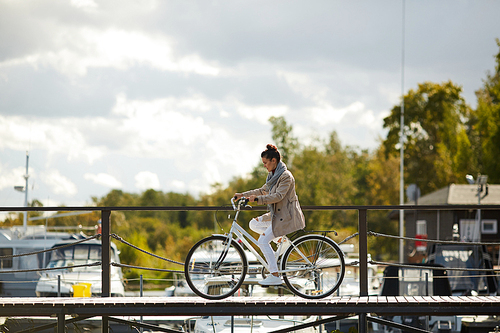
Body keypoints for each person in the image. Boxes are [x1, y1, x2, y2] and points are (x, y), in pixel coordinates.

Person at [234, 144, 305, 286]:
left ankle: (274, 274)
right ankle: (280, 241)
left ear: (274, 160)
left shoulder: (286, 176)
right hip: (277, 214)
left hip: (287, 216)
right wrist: (243, 194)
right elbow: (262, 190)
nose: (265, 166)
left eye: (265, 163)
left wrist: (257, 200)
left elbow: (278, 196)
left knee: (262, 241)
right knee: (253, 223)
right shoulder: (272, 176)